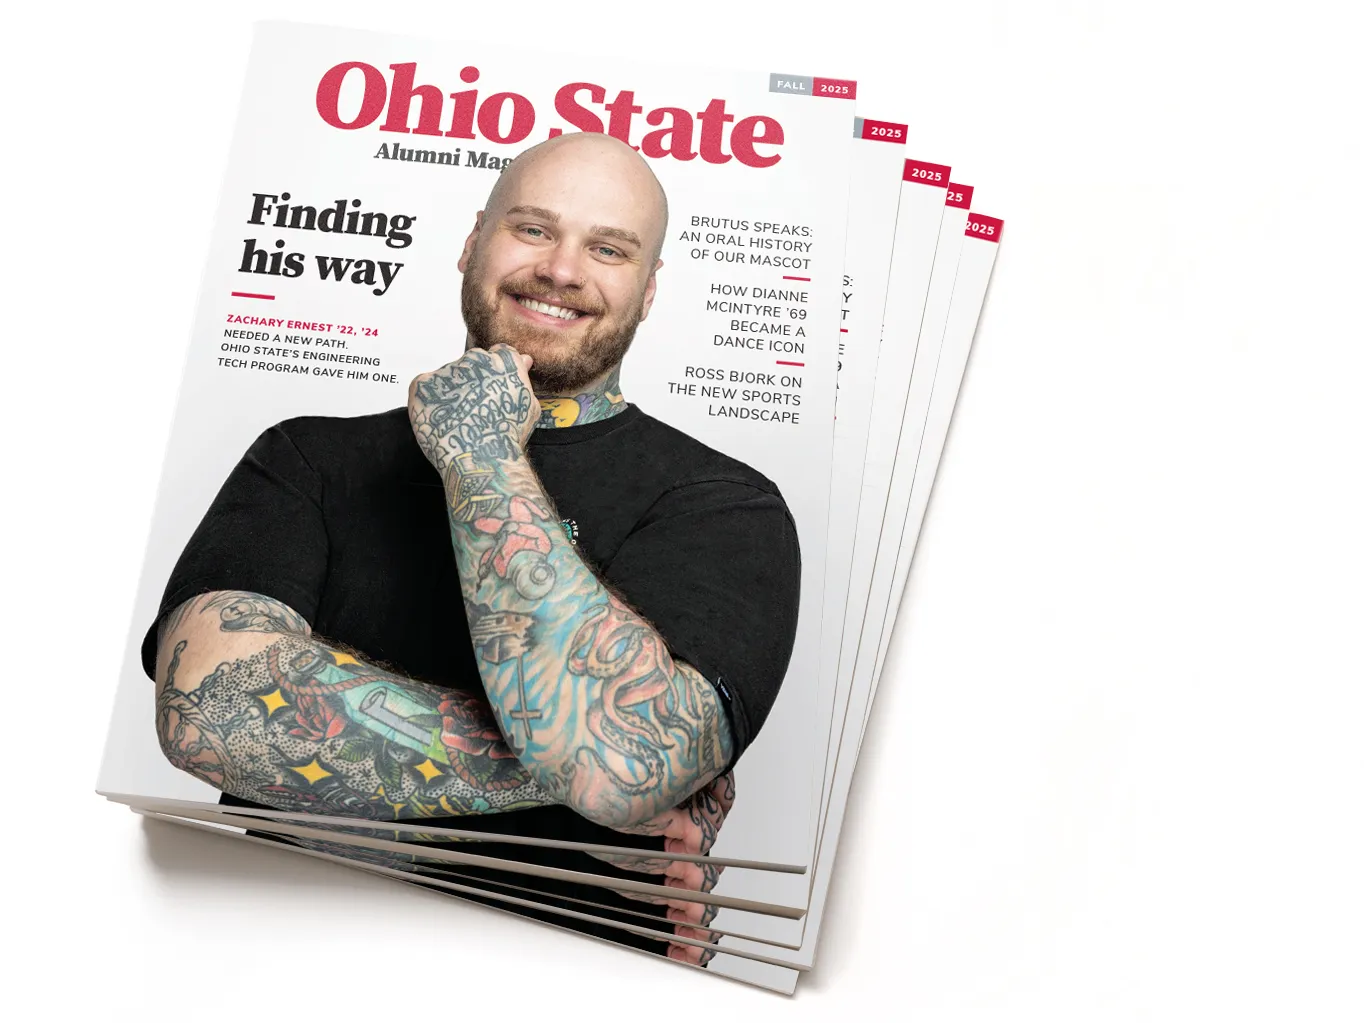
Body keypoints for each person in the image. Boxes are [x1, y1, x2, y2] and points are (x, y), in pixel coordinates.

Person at [143, 132, 802, 964]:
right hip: (272, 963)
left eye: (607, 248)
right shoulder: (307, 458)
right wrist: (592, 776)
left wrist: (480, 450)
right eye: (532, 228)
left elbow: (627, 759)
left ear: (648, 288)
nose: (561, 270)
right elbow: (211, 708)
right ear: (471, 241)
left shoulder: (723, 504)